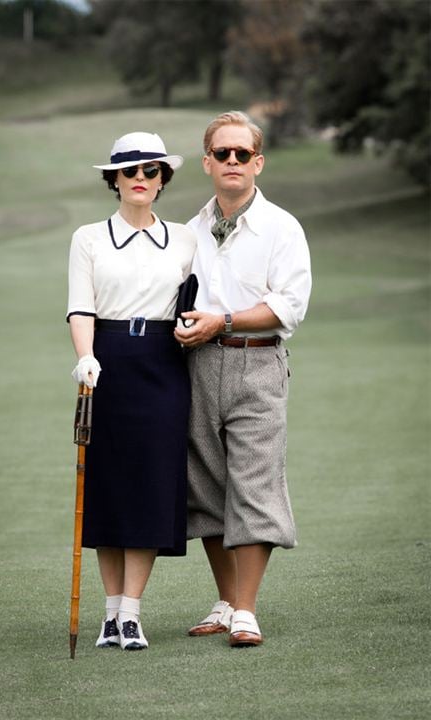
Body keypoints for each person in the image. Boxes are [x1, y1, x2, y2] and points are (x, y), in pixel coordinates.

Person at [175, 111, 311, 648]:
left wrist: (223, 320)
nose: (233, 162)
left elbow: (289, 306)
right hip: (199, 366)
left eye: (242, 154)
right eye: (222, 153)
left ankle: (247, 610)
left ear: (258, 162)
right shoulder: (186, 233)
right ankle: (227, 600)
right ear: (207, 162)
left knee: (254, 485)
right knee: (207, 487)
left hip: (258, 362)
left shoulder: (283, 226)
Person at [67, 132, 196, 651]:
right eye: (130, 172)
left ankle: (132, 615)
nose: (141, 179)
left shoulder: (185, 238)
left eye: (151, 171)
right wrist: (85, 356)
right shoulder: (89, 238)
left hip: (165, 364)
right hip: (107, 363)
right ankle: (108, 613)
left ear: (163, 179)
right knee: (110, 484)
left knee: (150, 484)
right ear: (114, 180)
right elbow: (81, 307)